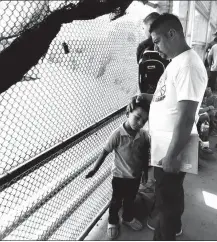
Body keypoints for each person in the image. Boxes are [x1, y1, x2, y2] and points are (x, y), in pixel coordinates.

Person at [134, 13, 208, 240]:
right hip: (165, 146)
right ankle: (173, 226)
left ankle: (166, 234)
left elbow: (186, 116)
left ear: (172, 34)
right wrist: (146, 96)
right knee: (169, 194)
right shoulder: (178, 61)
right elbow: (170, 98)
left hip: (170, 148)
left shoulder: (188, 66)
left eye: (157, 41)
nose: (155, 48)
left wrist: (172, 155)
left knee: (166, 200)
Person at [85, 98, 150, 239]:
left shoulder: (143, 135)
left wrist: (145, 171)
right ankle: (113, 221)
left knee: (130, 199)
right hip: (119, 176)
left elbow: (145, 154)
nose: (140, 123)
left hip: (135, 176)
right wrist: (94, 170)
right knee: (116, 200)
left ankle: (127, 218)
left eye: (143, 121)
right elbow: (105, 152)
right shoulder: (117, 134)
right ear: (128, 113)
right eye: (137, 117)